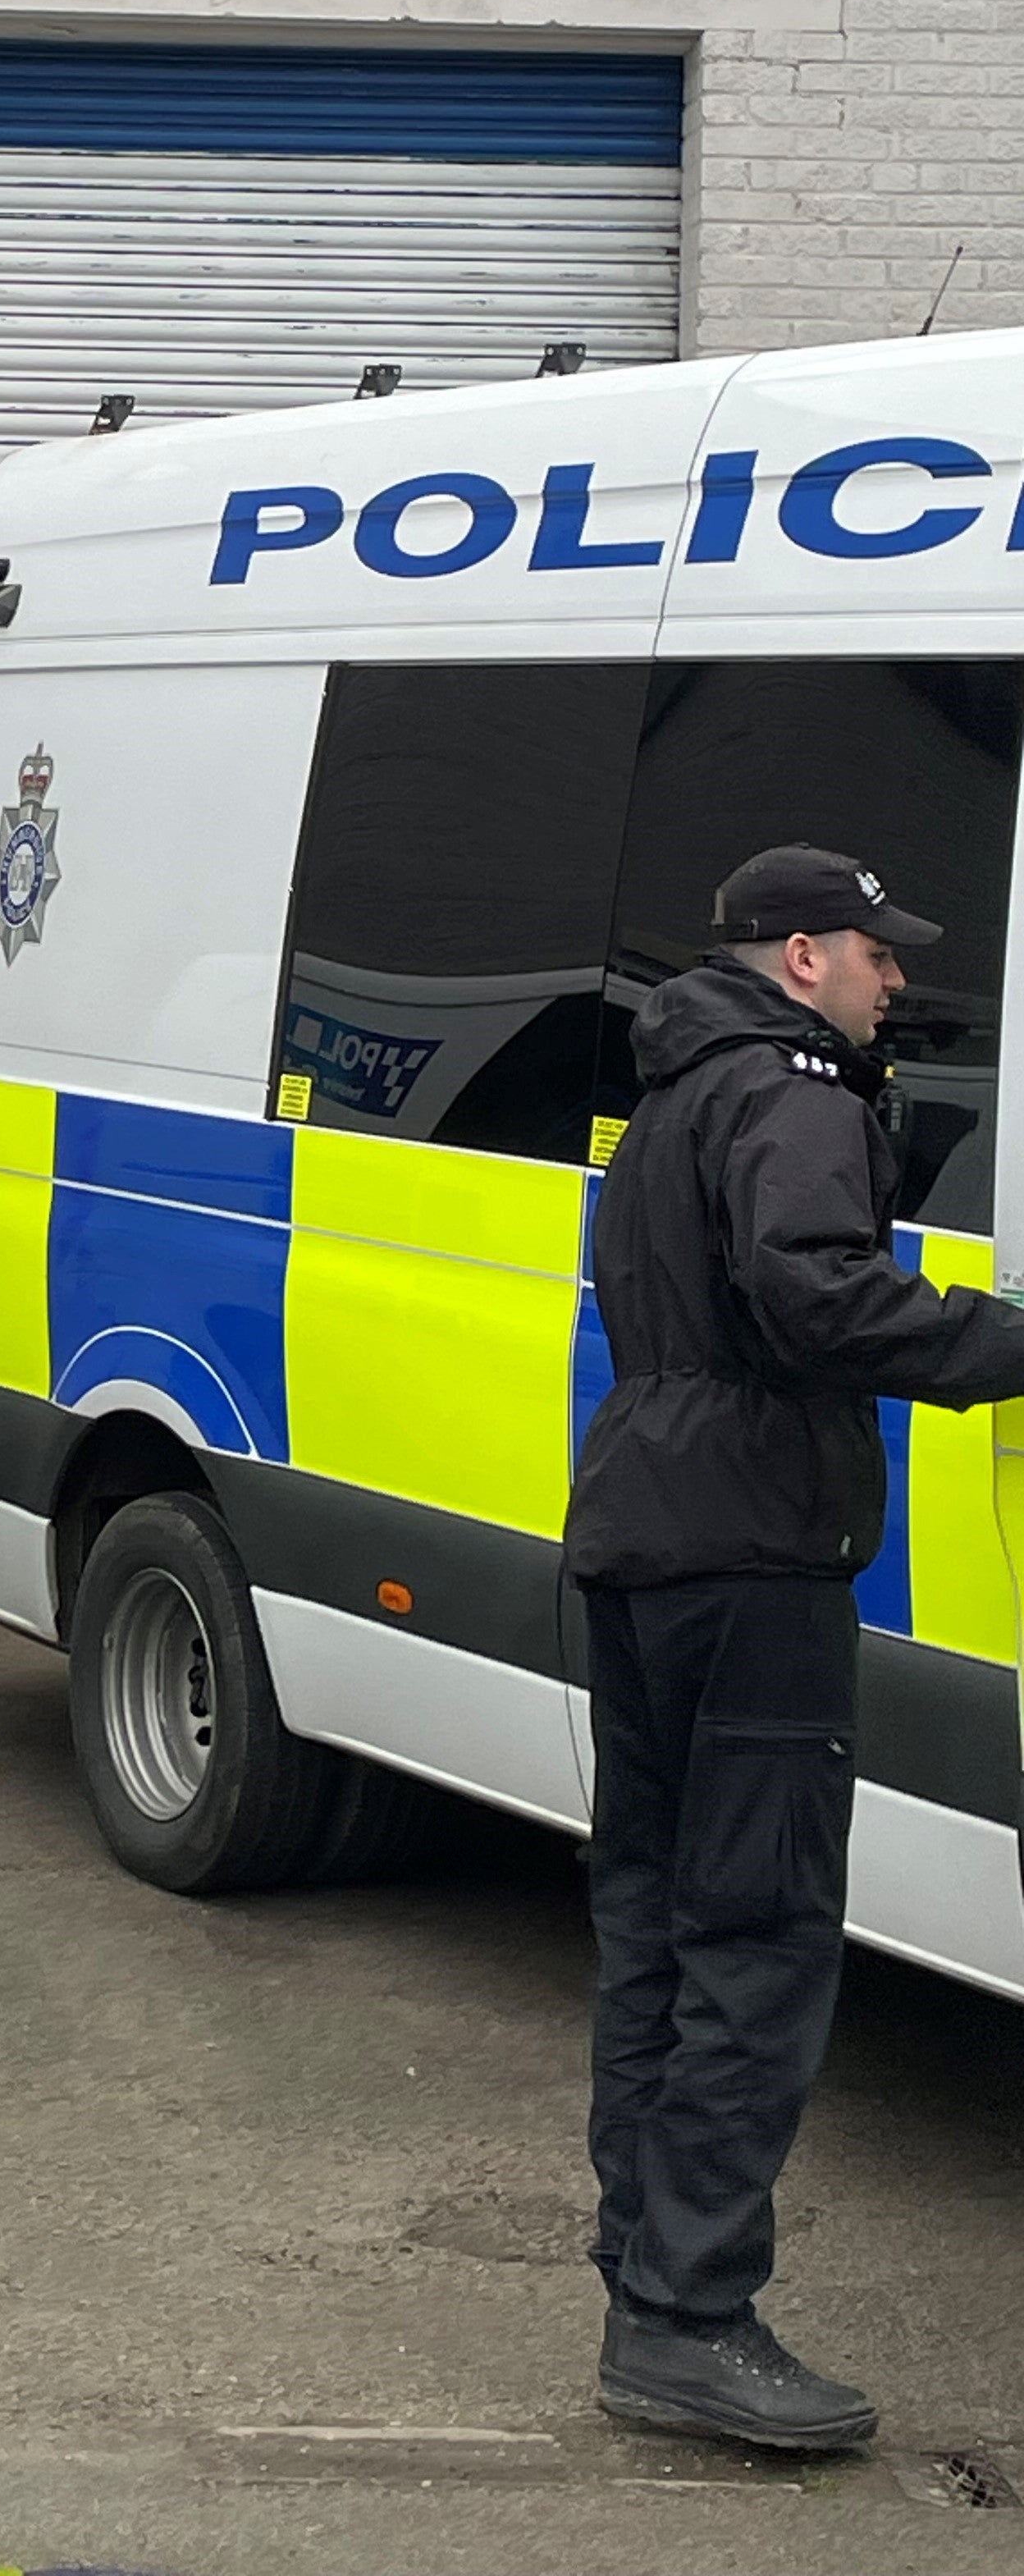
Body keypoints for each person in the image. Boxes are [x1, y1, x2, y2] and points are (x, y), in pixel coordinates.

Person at [569, 844, 1024, 2452]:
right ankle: (691, 2318)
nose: (897, 979)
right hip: (754, 1551)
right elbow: (821, 1301)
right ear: (801, 954)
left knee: (657, 1913)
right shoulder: (801, 1091)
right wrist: (1008, 1344)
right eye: (876, 953)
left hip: (641, 1530)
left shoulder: (676, 1090)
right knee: (756, 1938)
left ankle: (645, 2275)